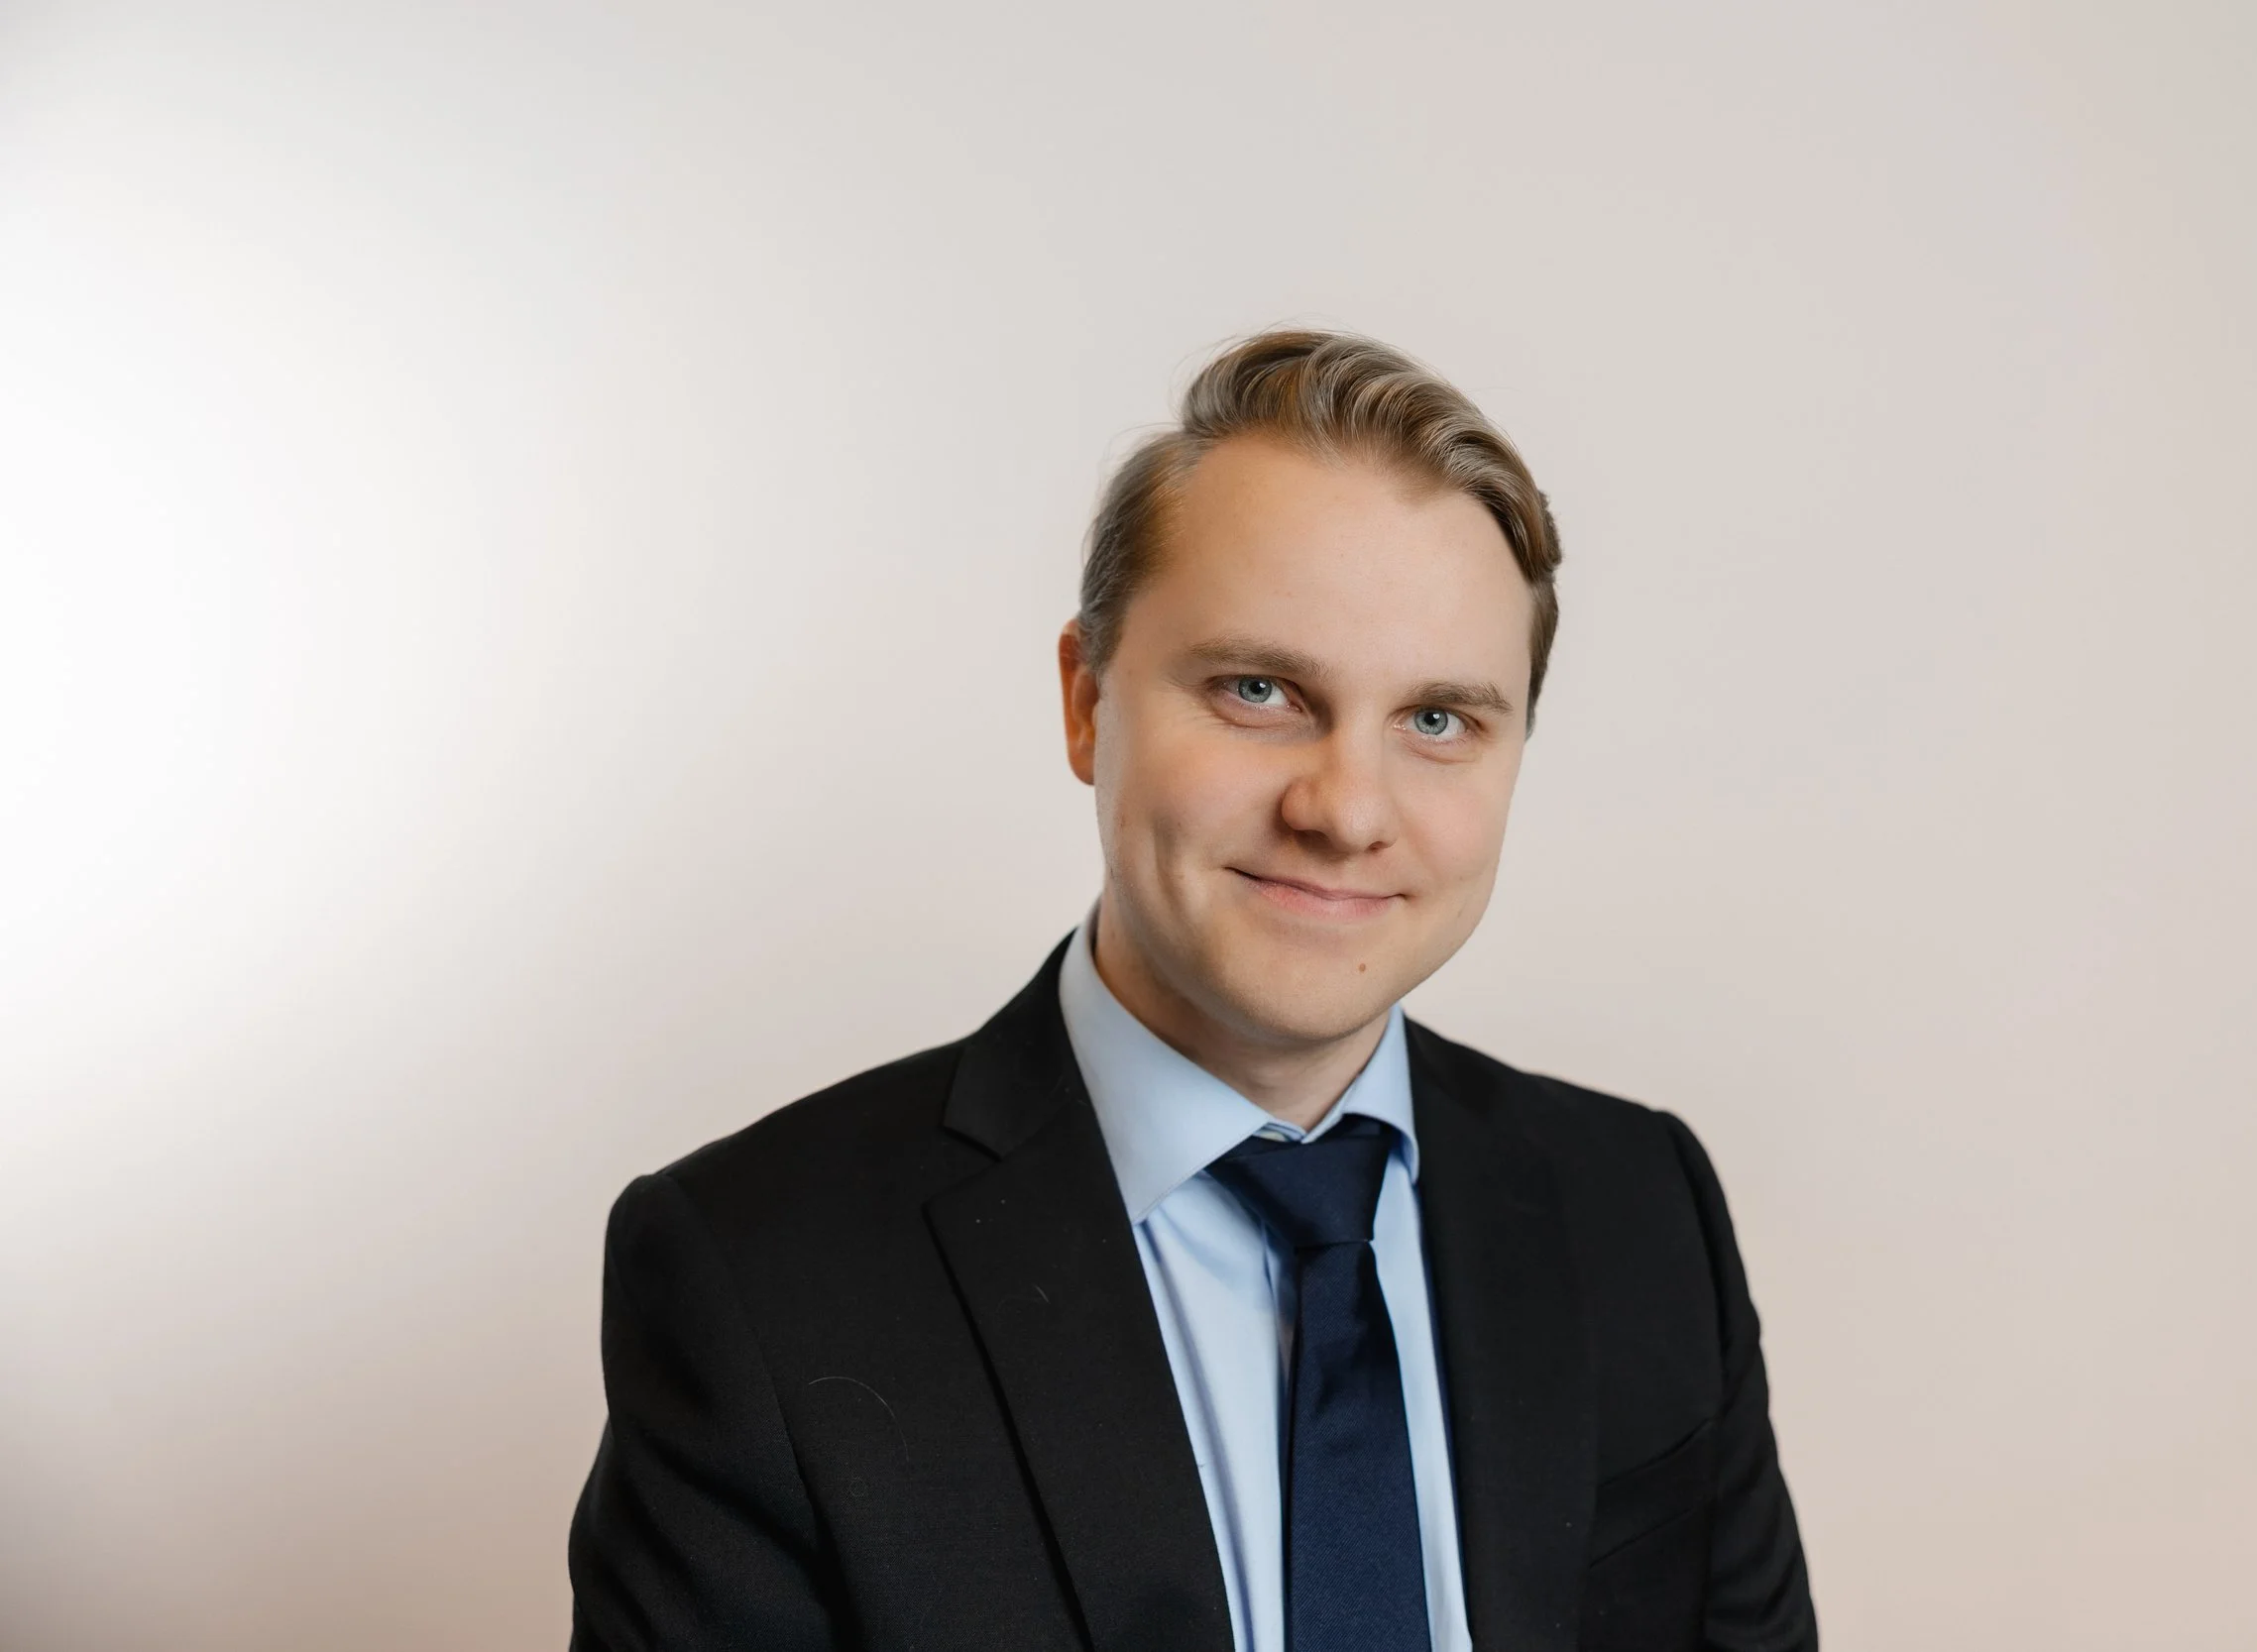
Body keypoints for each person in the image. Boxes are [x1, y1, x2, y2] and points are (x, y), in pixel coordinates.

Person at [568, 330, 1817, 1652]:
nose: (1345, 808)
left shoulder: (1641, 1207)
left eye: (1440, 720)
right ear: (1085, 701)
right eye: (1260, 688)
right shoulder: (759, 1275)